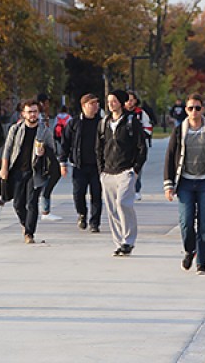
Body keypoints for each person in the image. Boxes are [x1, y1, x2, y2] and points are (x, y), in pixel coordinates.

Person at [163, 93, 205, 274]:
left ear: (203, 109)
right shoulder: (179, 131)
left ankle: (202, 262)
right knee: (185, 222)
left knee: (204, 223)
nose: (194, 111)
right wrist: (168, 184)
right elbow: (170, 157)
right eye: (190, 108)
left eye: (197, 108)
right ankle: (189, 250)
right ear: (185, 110)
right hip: (185, 182)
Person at [96, 90, 147, 256]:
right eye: (109, 101)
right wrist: (101, 170)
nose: (111, 104)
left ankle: (129, 240)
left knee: (123, 203)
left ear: (122, 103)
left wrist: (136, 169)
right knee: (111, 209)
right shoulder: (104, 123)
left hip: (126, 171)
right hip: (108, 172)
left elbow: (141, 147)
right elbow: (98, 148)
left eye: (115, 101)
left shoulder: (132, 122)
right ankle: (119, 243)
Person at [0, 99, 55, 243]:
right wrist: (4, 169)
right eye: (29, 112)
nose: (32, 115)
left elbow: (52, 151)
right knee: (18, 203)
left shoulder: (44, 131)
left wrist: (44, 152)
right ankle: (25, 224)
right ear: (23, 114)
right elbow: (7, 150)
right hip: (17, 171)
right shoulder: (15, 129)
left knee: (32, 203)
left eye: (35, 112)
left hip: (35, 172)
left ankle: (29, 233)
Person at [59, 93, 102, 232]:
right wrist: (63, 162)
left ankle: (94, 222)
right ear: (84, 106)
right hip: (79, 165)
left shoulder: (102, 122)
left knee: (96, 194)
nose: (95, 106)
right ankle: (82, 214)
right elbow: (65, 143)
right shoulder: (74, 123)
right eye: (92, 103)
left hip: (97, 166)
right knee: (78, 194)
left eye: (97, 103)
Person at [37, 93, 62, 221]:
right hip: (43, 150)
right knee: (54, 173)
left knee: (52, 175)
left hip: (47, 150)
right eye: (47, 103)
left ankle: (45, 209)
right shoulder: (39, 116)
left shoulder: (44, 116)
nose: (48, 106)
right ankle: (45, 209)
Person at [125, 91, 152, 201]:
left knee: (137, 168)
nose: (129, 103)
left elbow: (148, 128)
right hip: (124, 146)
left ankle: (136, 189)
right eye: (127, 100)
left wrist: (140, 136)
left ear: (136, 101)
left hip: (137, 145)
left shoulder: (141, 113)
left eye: (131, 100)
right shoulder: (121, 113)